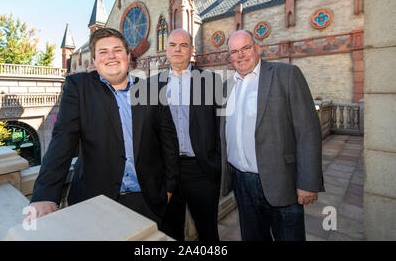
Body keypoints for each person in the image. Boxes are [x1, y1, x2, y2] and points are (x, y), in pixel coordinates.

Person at [24, 27, 179, 228]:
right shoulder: (78, 87)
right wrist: (45, 195)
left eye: (117, 50)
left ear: (128, 55)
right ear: (94, 60)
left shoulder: (152, 89)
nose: (111, 56)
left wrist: (168, 188)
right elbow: (63, 140)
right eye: (103, 52)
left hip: (147, 201)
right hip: (96, 201)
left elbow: (169, 142)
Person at [220, 30, 324, 241]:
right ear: (229, 57)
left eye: (246, 48)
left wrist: (308, 182)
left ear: (258, 48)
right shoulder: (226, 87)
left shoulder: (286, 75)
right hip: (241, 182)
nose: (240, 55)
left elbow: (308, 131)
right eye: (234, 51)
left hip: (281, 181)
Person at [157, 28, 222, 241]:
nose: (178, 49)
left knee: (208, 232)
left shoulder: (210, 81)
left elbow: (222, 125)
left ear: (192, 50)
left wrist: (217, 164)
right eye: (173, 45)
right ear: (166, 49)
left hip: (201, 170)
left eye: (183, 45)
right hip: (167, 172)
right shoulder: (152, 85)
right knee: (170, 232)